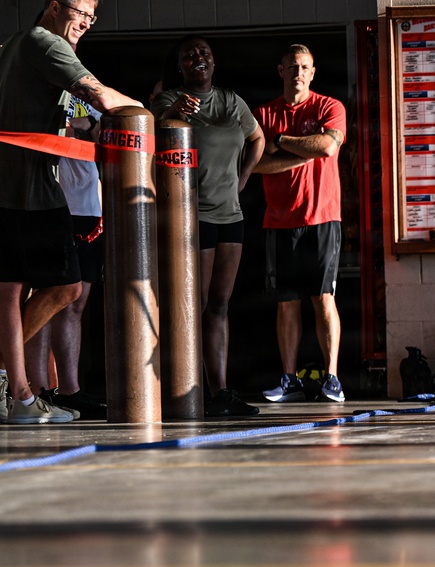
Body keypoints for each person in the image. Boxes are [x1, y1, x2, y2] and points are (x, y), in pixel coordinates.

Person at [0, 0, 142, 424]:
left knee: (9, 292)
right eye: (78, 11)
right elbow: (100, 96)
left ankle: (22, 398)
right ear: (53, 7)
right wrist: (148, 115)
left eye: (90, 16)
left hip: (18, 186)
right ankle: (17, 387)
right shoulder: (46, 43)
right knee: (67, 287)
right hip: (30, 190)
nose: (84, 22)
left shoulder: (14, 45)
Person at [152, 35, 266, 417]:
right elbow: (157, 133)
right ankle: (188, 391)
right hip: (192, 215)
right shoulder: (169, 100)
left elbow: (258, 138)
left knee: (219, 305)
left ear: (213, 62)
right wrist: (179, 114)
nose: (198, 58)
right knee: (193, 305)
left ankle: (220, 392)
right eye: (190, 56)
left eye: (204, 53)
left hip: (230, 214)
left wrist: (244, 175)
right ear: (181, 66)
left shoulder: (232, 100)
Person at [252, 44, 348, 404]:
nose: (298, 72)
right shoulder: (263, 113)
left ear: (313, 72)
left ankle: (332, 378)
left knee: (323, 298)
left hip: (322, 216)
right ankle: (289, 378)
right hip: (279, 221)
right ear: (280, 70)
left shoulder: (328, 107)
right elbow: (252, 164)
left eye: (304, 67)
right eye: (292, 66)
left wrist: (281, 142)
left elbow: (326, 147)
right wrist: (301, 152)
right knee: (286, 302)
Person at [24, 95, 108, 420]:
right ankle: (38, 390)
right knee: (47, 295)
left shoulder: (86, 89)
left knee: (76, 302)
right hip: (49, 202)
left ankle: (70, 391)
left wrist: (86, 126)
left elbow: (108, 132)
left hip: (88, 205)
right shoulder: (35, 84)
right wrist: (75, 127)